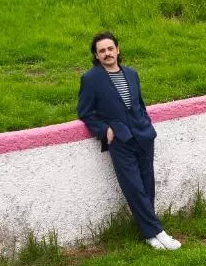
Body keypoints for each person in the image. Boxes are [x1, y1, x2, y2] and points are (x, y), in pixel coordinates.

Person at [77, 31, 181, 250]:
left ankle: (149, 234)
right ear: (96, 55)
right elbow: (85, 112)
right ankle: (157, 232)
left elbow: (139, 104)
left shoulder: (132, 74)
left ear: (118, 50)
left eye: (110, 48)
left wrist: (146, 124)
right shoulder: (91, 79)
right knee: (133, 187)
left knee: (147, 184)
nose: (107, 53)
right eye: (102, 51)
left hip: (144, 136)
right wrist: (104, 130)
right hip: (120, 140)